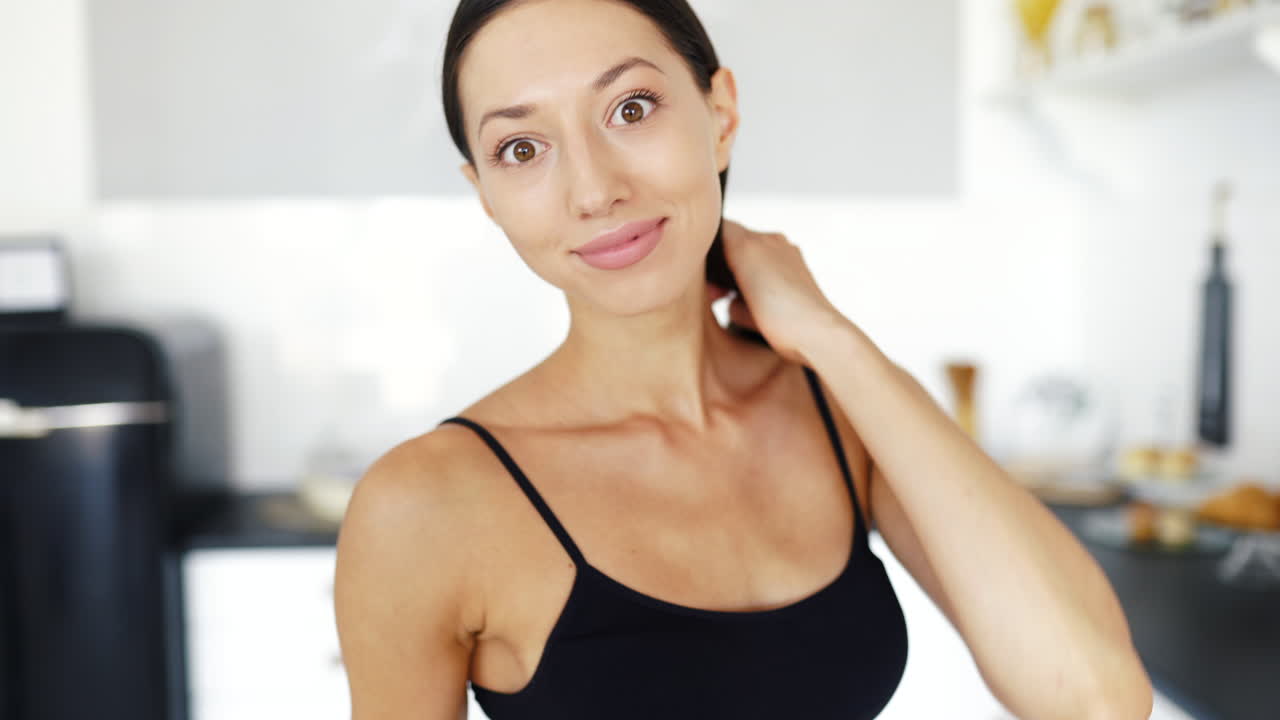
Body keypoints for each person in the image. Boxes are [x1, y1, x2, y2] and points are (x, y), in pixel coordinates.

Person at [334, 1, 1153, 718]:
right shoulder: (426, 505)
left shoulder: (836, 412)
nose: (593, 189)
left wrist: (832, 336)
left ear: (719, 114)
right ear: (485, 193)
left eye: (631, 107)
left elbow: (1094, 700)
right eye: (521, 149)